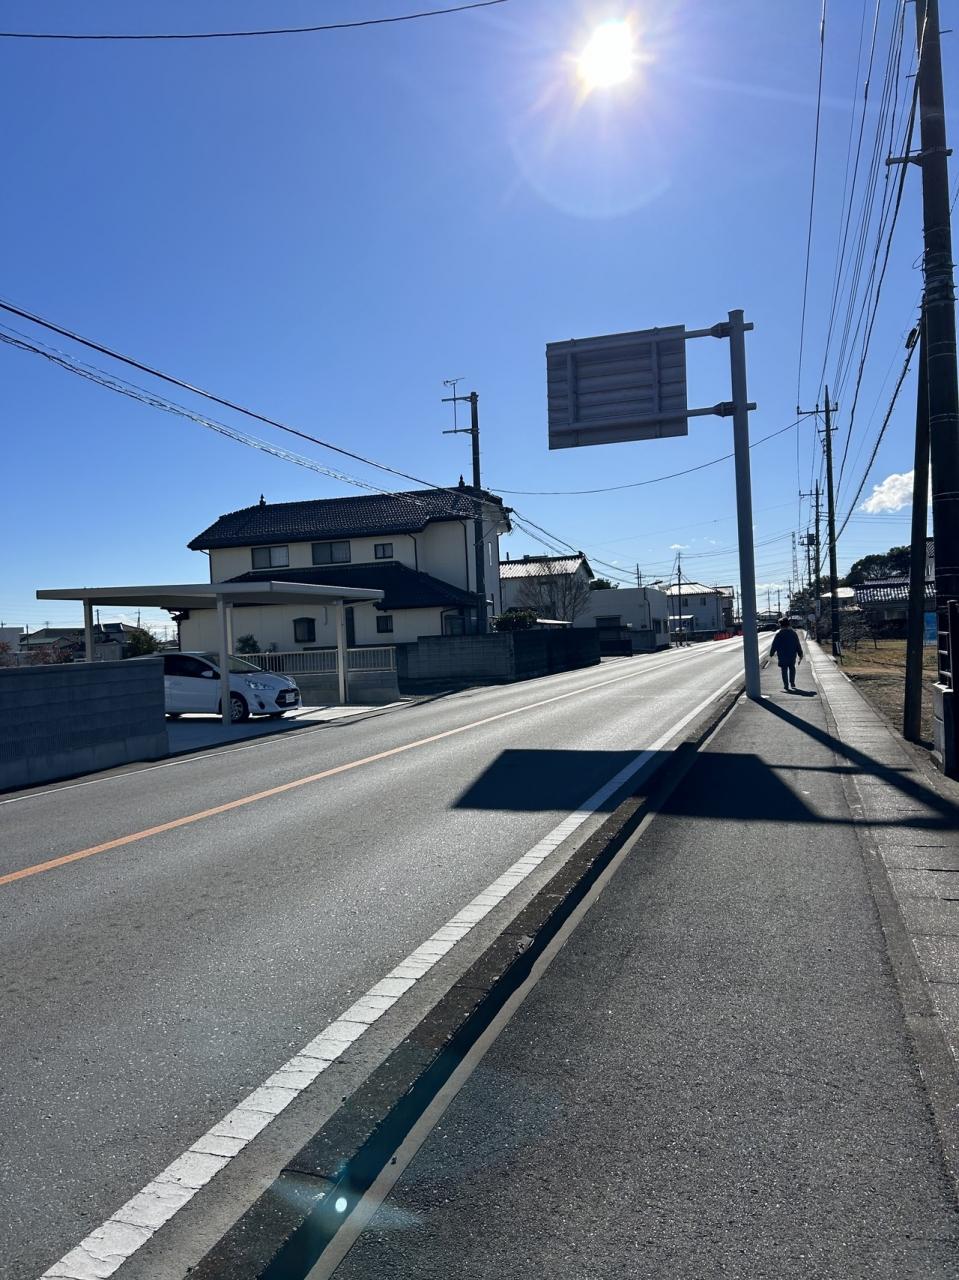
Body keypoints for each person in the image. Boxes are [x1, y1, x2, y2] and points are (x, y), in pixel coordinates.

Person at [769, 616, 803, 691]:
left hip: (782, 655)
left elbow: (774, 645)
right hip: (792, 654)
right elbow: (797, 644)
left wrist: (771, 653)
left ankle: (786, 685)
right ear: (788, 624)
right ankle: (792, 682)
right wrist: (800, 653)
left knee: (784, 670)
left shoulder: (779, 634)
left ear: (781, 625)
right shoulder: (793, 633)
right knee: (792, 668)